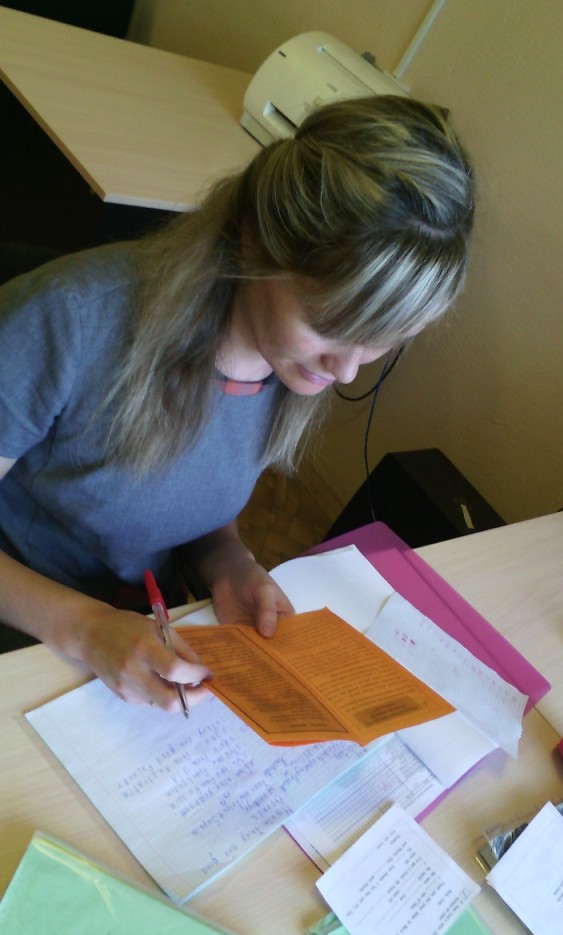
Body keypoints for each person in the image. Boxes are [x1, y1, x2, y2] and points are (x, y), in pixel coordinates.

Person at [0, 94, 475, 711]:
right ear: (253, 241)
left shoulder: (287, 361)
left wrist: (227, 561)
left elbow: (185, 494)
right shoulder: (69, 323)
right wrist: (84, 627)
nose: (346, 369)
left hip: (134, 622)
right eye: (328, 325)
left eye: (382, 339)